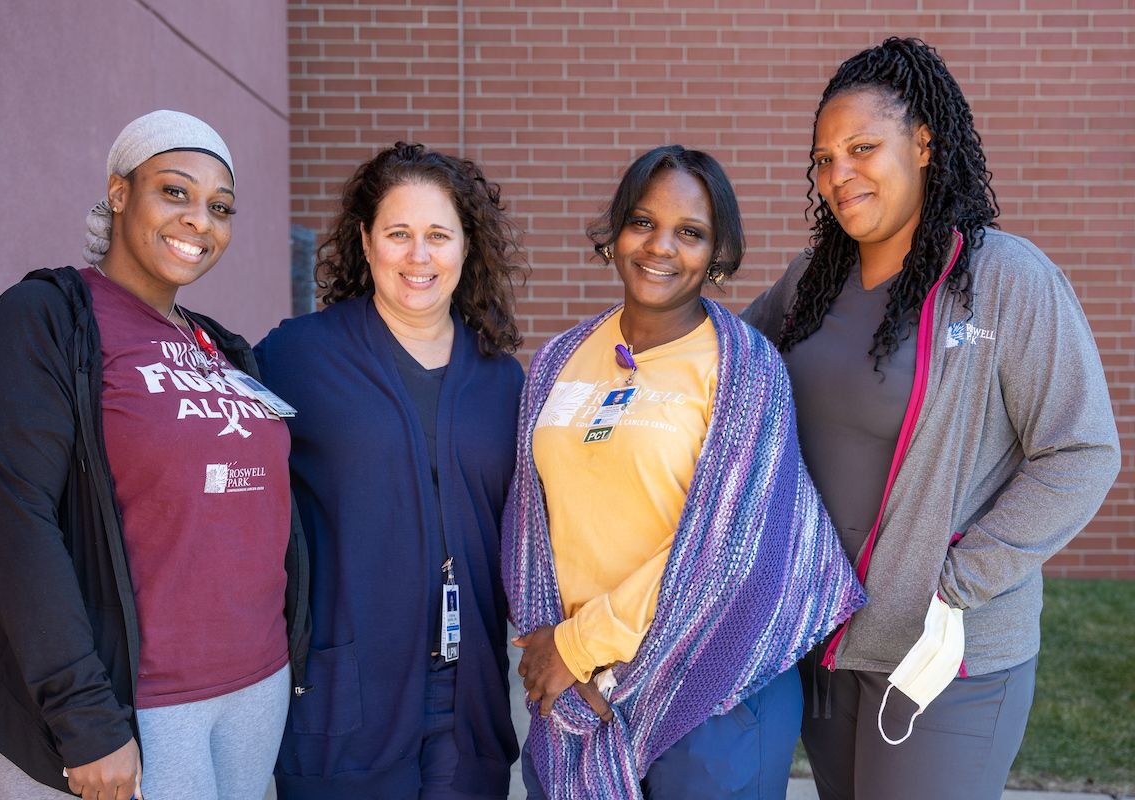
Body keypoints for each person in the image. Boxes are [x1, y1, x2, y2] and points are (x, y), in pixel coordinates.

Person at [741, 38, 1121, 800]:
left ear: (923, 143)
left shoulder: (1007, 281)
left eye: (861, 148)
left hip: (947, 654)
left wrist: (953, 584)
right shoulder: (808, 285)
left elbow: (1081, 452)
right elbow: (720, 377)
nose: (837, 175)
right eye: (823, 159)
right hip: (828, 645)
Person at [0, 110, 310, 800]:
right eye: (174, 192)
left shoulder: (223, 346)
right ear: (120, 192)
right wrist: (84, 718)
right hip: (131, 707)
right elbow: (15, 525)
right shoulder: (47, 318)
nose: (199, 220)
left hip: (254, 691)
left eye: (220, 207)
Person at [504, 145, 866, 799]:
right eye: (643, 222)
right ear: (615, 230)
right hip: (579, 686)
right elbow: (532, 518)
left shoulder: (746, 372)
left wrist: (580, 649)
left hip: (715, 691)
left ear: (719, 255)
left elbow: (728, 552)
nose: (661, 247)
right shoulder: (561, 358)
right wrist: (547, 644)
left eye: (690, 233)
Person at [256, 143, 526, 799]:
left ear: (467, 247)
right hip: (347, 700)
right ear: (366, 241)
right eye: (398, 234)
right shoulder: (297, 357)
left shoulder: (503, 381)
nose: (418, 256)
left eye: (438, 235)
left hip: (471, 705)